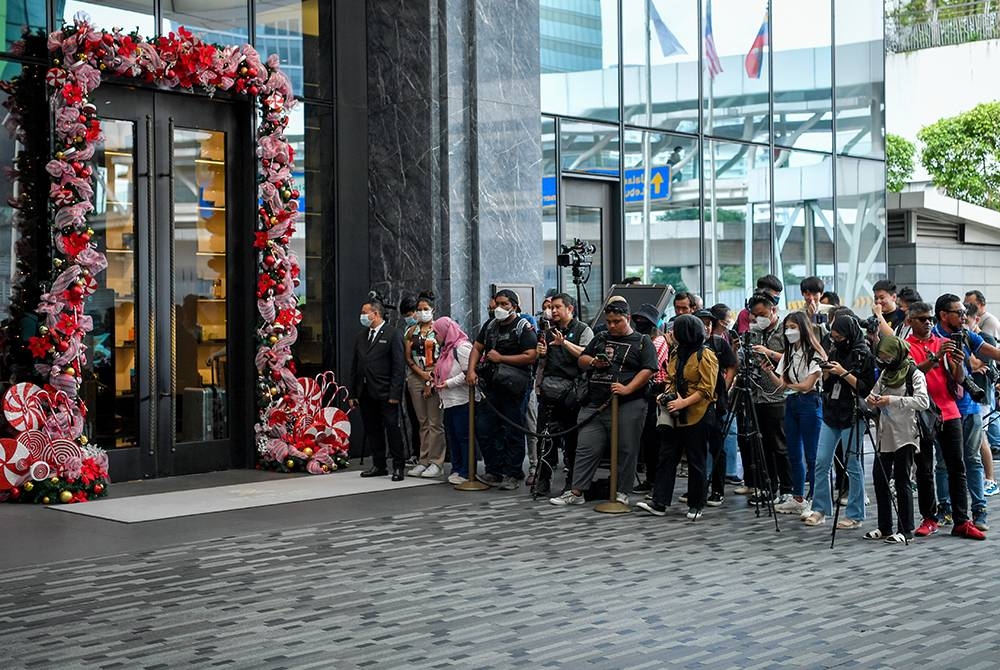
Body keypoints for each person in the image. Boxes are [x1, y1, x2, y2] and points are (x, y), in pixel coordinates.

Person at [550, 300, 657, 506]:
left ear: (627, 318)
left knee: (626, 447)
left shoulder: (642, 341)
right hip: (595, 402)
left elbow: (648, 369)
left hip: (628, 403)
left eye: (617, 321)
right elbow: (582, 358)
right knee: (586, 447)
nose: (612, 326)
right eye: (609, 321)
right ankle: (576, 491)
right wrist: (592, 362)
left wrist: (628, 388)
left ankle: (622, 491)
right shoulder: (600, 337)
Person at [904, 302, 985, 540]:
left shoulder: (943, 343)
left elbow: (959, 380)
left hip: (949, 411)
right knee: (925, 468)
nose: (928, 322)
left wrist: (958, 364)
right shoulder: (906, 346)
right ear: (910, 322)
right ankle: (930, 518)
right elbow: (910, 375)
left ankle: (962, 520)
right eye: (922, 319)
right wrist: (935, 359)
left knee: (956, 467)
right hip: (922, 413)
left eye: (929, 318)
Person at [635, 314, 719, 520]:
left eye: (676, 330)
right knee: (667, 456)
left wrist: (683, 402)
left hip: (698, 413)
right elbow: (671, 379)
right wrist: (665, 395)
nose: (671, 333)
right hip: (675, 413)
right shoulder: (676, 353)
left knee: (696, 459)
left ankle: (696, 504)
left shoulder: (705, 355)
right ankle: (660, 501)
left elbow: (707, 389)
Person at [802, 313, 874, 529]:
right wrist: (825, 373)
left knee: (853, 464)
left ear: (849, 334)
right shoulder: (834, 349)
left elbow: (865, 388)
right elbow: (827, 385)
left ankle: (855, 514)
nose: (834, 338)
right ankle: (820, 509)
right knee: (821, 461)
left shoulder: (863, 355)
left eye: (839, 334)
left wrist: (843, 372)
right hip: (831, 412)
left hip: (852, 413)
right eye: (833, 333)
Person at [932, 294, 992, 532]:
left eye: (964, 313)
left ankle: (979, 510)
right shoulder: (934, 338)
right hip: (944, 409)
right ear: (944, 315)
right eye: (959, 313)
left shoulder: (966, 335)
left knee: (972, 459)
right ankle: (945, 509)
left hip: (969, 406)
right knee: (943, 463)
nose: (964, 317)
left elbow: (990, 351)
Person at [468, 289, 538, 490]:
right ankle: (494, 470)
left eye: (503, 304)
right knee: (485, 429)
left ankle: (513, 473)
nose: (498, 308)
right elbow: (477, 347)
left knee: (513, 431)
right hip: (491, 387)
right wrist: (471, 370)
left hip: (514, 388)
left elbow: (531, 355)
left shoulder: (523, 327)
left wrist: (502, 358)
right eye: (496, 304)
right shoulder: (490, 326)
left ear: (514, 306)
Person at [865, 336, 929, 543]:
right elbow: (873, 393)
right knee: (880, 479)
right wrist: (871, 400)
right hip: (885, 434)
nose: (884, 359)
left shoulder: (914, 373)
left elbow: (922, 401)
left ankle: (906, 528)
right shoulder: (885, 373)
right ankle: (885, 526)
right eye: (881, 356)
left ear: (898, 353)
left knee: (902, 481)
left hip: (906, 434)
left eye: (887, 356)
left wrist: (892, 400)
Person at [762, 311, 826, 516]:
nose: (789, 332)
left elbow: (808, 385)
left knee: (812, 454)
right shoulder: (789, 353)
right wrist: (768, 371)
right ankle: (798, 497)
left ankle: (816, 501)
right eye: (787, 327)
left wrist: (789, 385)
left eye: (793, 327)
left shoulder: (816, 353)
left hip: (810, 403)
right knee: (794, 453)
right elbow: (781, 385)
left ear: (803, 328)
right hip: (791, 403)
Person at [534, 292, 594, 495]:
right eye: (551, 307)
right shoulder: (547, 330)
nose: (553, 311)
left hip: (573, 395)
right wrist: (539, 353)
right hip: (549, 393)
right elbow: (541, 362)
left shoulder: (583, 330)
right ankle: (543, 480)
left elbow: (588, 357)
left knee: (573, 442)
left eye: (558, 307)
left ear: (570, 309)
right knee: (545, 438)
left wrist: (565, 343)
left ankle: (572, 482)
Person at [742, 292, 794, 505]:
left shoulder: (787, 331)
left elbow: (795, 358)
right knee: (761, 444)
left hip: (778, 395)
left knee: (779, 445)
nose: (757, 319)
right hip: (757, 395)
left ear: (773, 310)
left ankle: (787, 489)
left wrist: (769, 353)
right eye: (754, 315)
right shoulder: (754, 332)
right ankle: (768, 487)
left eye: (761, 314)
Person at [349, 296, 407, 481]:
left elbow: (399, 366)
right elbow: (355, 366)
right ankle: (379, 464)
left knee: (392, 428)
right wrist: (353, 392)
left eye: (364, 313)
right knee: (373, 429)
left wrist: (395, 393)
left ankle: (398, 466)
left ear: (375, 314)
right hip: (366, 392)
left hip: (386, 392)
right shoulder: (361, 337)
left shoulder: (393, 334)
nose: (362, 316)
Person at [402, 291, 446, 478]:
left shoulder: (439, 330)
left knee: (435, 422)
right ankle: (423, 460)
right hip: (415, 376)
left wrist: (431, 377)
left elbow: (444, 356)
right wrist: (420, 373)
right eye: (419, 310)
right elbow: (408, 357)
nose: (421, 313)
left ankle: (437, 462)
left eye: (425, 309)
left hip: (435, 376)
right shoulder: (411, 331)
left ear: (433, 310)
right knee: (422, 422)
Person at [696, 309, 737, 506]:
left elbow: (732, 365)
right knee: (696, 448)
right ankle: (697, 488)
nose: (706, 327)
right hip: (693, 404)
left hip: (716, 403)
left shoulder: (718, 343)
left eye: (709, 323)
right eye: (702, 323)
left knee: (717, 447)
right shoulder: (687, 345)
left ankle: (718, 490)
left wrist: (725, 387)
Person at [432, 317, 477, 485]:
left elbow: (470, 373)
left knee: (464, 437)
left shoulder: (462, 348)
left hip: (462, 400)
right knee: (454, 437)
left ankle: (466, 470)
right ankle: (457, 468)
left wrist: (448, 383)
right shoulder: (447, 350)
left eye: (436, 333)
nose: (435, 337)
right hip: (449, 401)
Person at [632, 303, 669, 493]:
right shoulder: (641, 340)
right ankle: (651, 479)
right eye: (637, 320)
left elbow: (649, 365)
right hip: (644, 393)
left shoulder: (659, 342)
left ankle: (655, 481)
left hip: (656, 393)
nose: (639, 323)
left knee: (655, 441)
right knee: (648, 440)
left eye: (644, 321)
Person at [398, 294, 422, 464]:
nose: (409, 318)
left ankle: (426, 456)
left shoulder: (429, 330)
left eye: (410, 313)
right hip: (410, 379)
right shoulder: (407, 331)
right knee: (413, 419)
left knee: (426, 422)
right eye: (405, 316)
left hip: (424, 378)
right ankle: (416, 453)